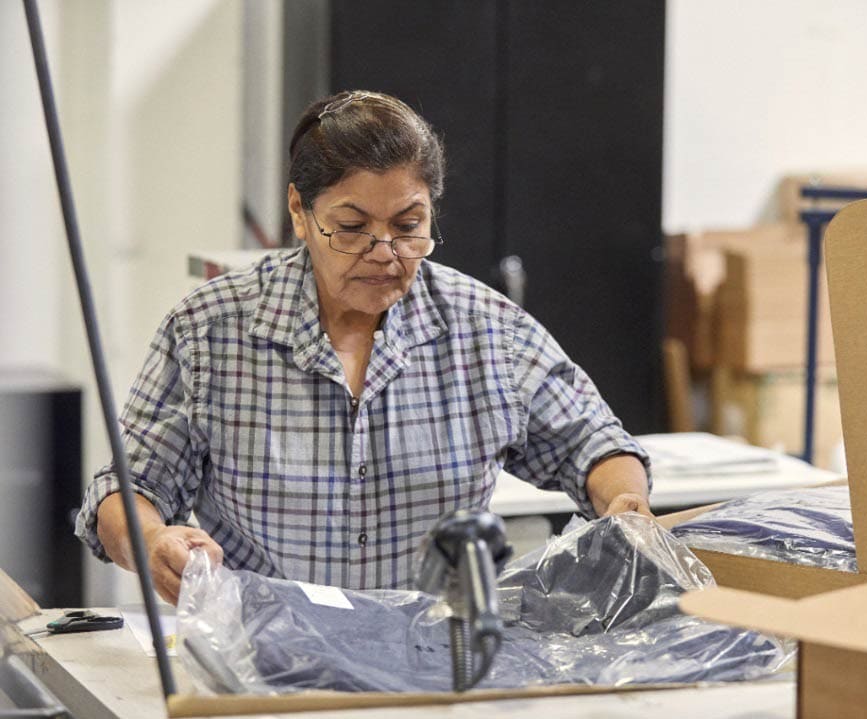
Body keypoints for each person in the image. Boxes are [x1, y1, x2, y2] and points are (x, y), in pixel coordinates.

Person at [75, 90, 651, 605]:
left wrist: (625, 501)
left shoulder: (487, 330)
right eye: (351, 227)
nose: (384, 252)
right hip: (264, 650)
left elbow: (594, 443)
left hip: (440, 650)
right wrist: (153, 541)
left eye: (408, 225)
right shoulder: (211, 331)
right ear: (299, 212)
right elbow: (126, 490)